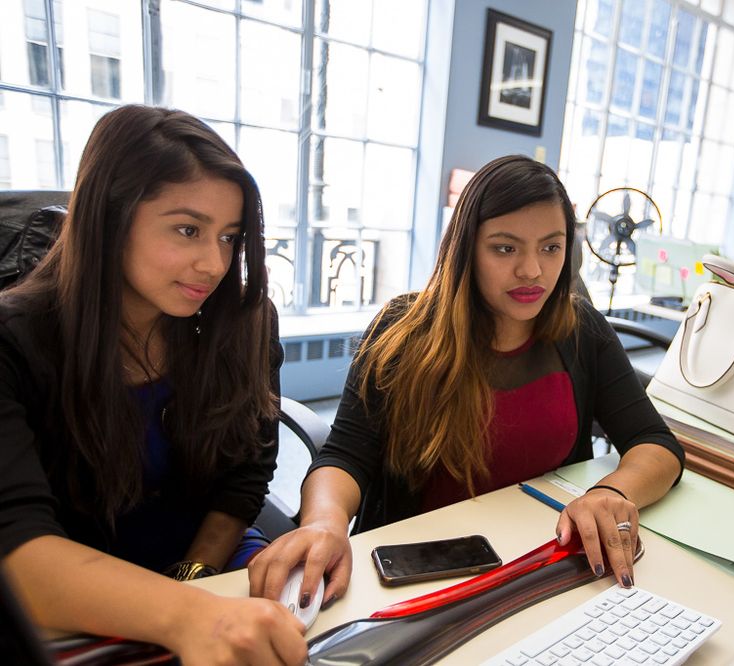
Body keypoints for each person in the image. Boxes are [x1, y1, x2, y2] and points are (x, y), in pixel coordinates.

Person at [249, 155, 685, 610]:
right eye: (505, 248)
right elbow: (345, 456)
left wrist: (612, 491)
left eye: (551, 248)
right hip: (423, 570)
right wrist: (323, 522)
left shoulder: (582, 330)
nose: (532, 270)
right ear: (467, 248)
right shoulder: (403, 330)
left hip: (540, 563)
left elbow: (654, 442)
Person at [0, 105, 307, 665]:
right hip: (74, 592)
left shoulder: (242, 322)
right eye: (188, 230)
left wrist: (195, 576)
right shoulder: (14, 341)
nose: (214, 264)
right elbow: (19, 549)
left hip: (207, 561)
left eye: (229, 237)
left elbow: (245, 476)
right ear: (109, 220)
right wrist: (188, 613)